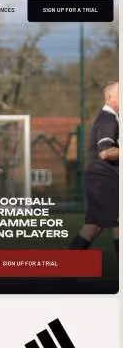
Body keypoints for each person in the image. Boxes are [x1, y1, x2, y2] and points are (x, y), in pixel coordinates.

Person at [69, 81, 118, 257]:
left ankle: (64, 270)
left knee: (93, 227)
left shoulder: (111, 118)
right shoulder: (108, 120)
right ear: (110, 97)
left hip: (100, 179)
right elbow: (105, 153)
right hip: (104, 180)